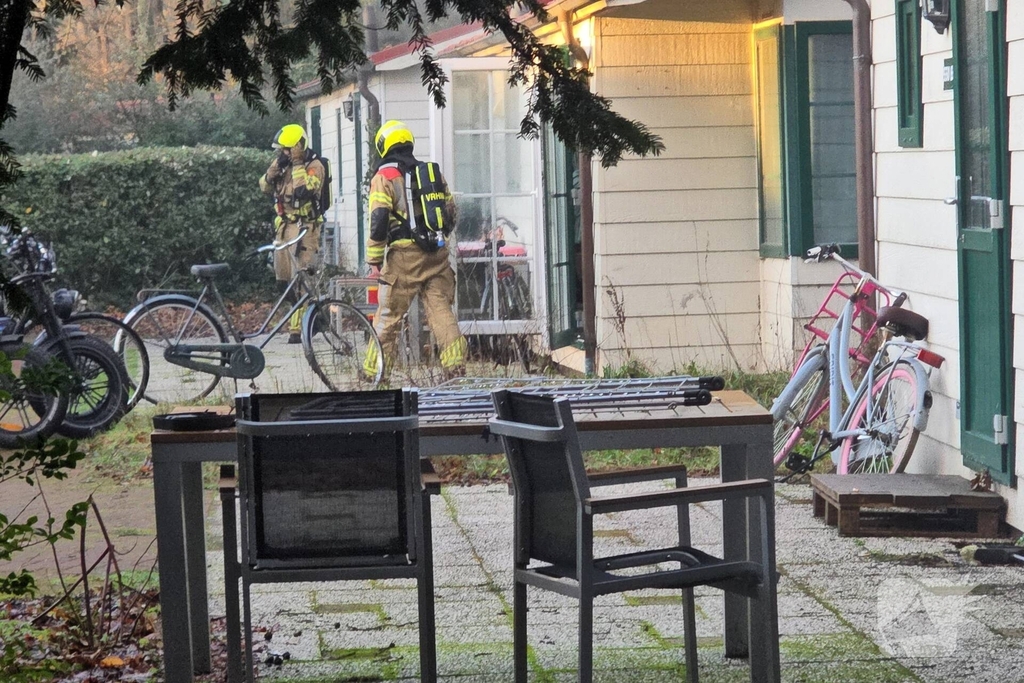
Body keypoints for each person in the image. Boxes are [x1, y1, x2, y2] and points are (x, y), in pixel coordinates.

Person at [364, 120, 467, 380]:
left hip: (404, 259)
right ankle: (455, 368)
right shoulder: (430, 173)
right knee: (440, 309)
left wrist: (374, 259)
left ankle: (374, 373)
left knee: (389, 314)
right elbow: (451, 212)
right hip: (436, 254)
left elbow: (378, 219)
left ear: (383, 146)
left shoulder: (384, 176)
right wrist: (437, 240)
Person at [259, 124, 326, 343]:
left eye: (287, 149)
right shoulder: (282, 164)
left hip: (305, 229)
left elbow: (303, 191)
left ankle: (299, 328)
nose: (283, 153)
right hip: (284, 228)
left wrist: (298, 163)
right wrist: (273, 170)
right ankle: (305, 321)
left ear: (298, 147)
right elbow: (264, 187)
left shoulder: (314, 166)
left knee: (303, 278)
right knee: (283, 279)